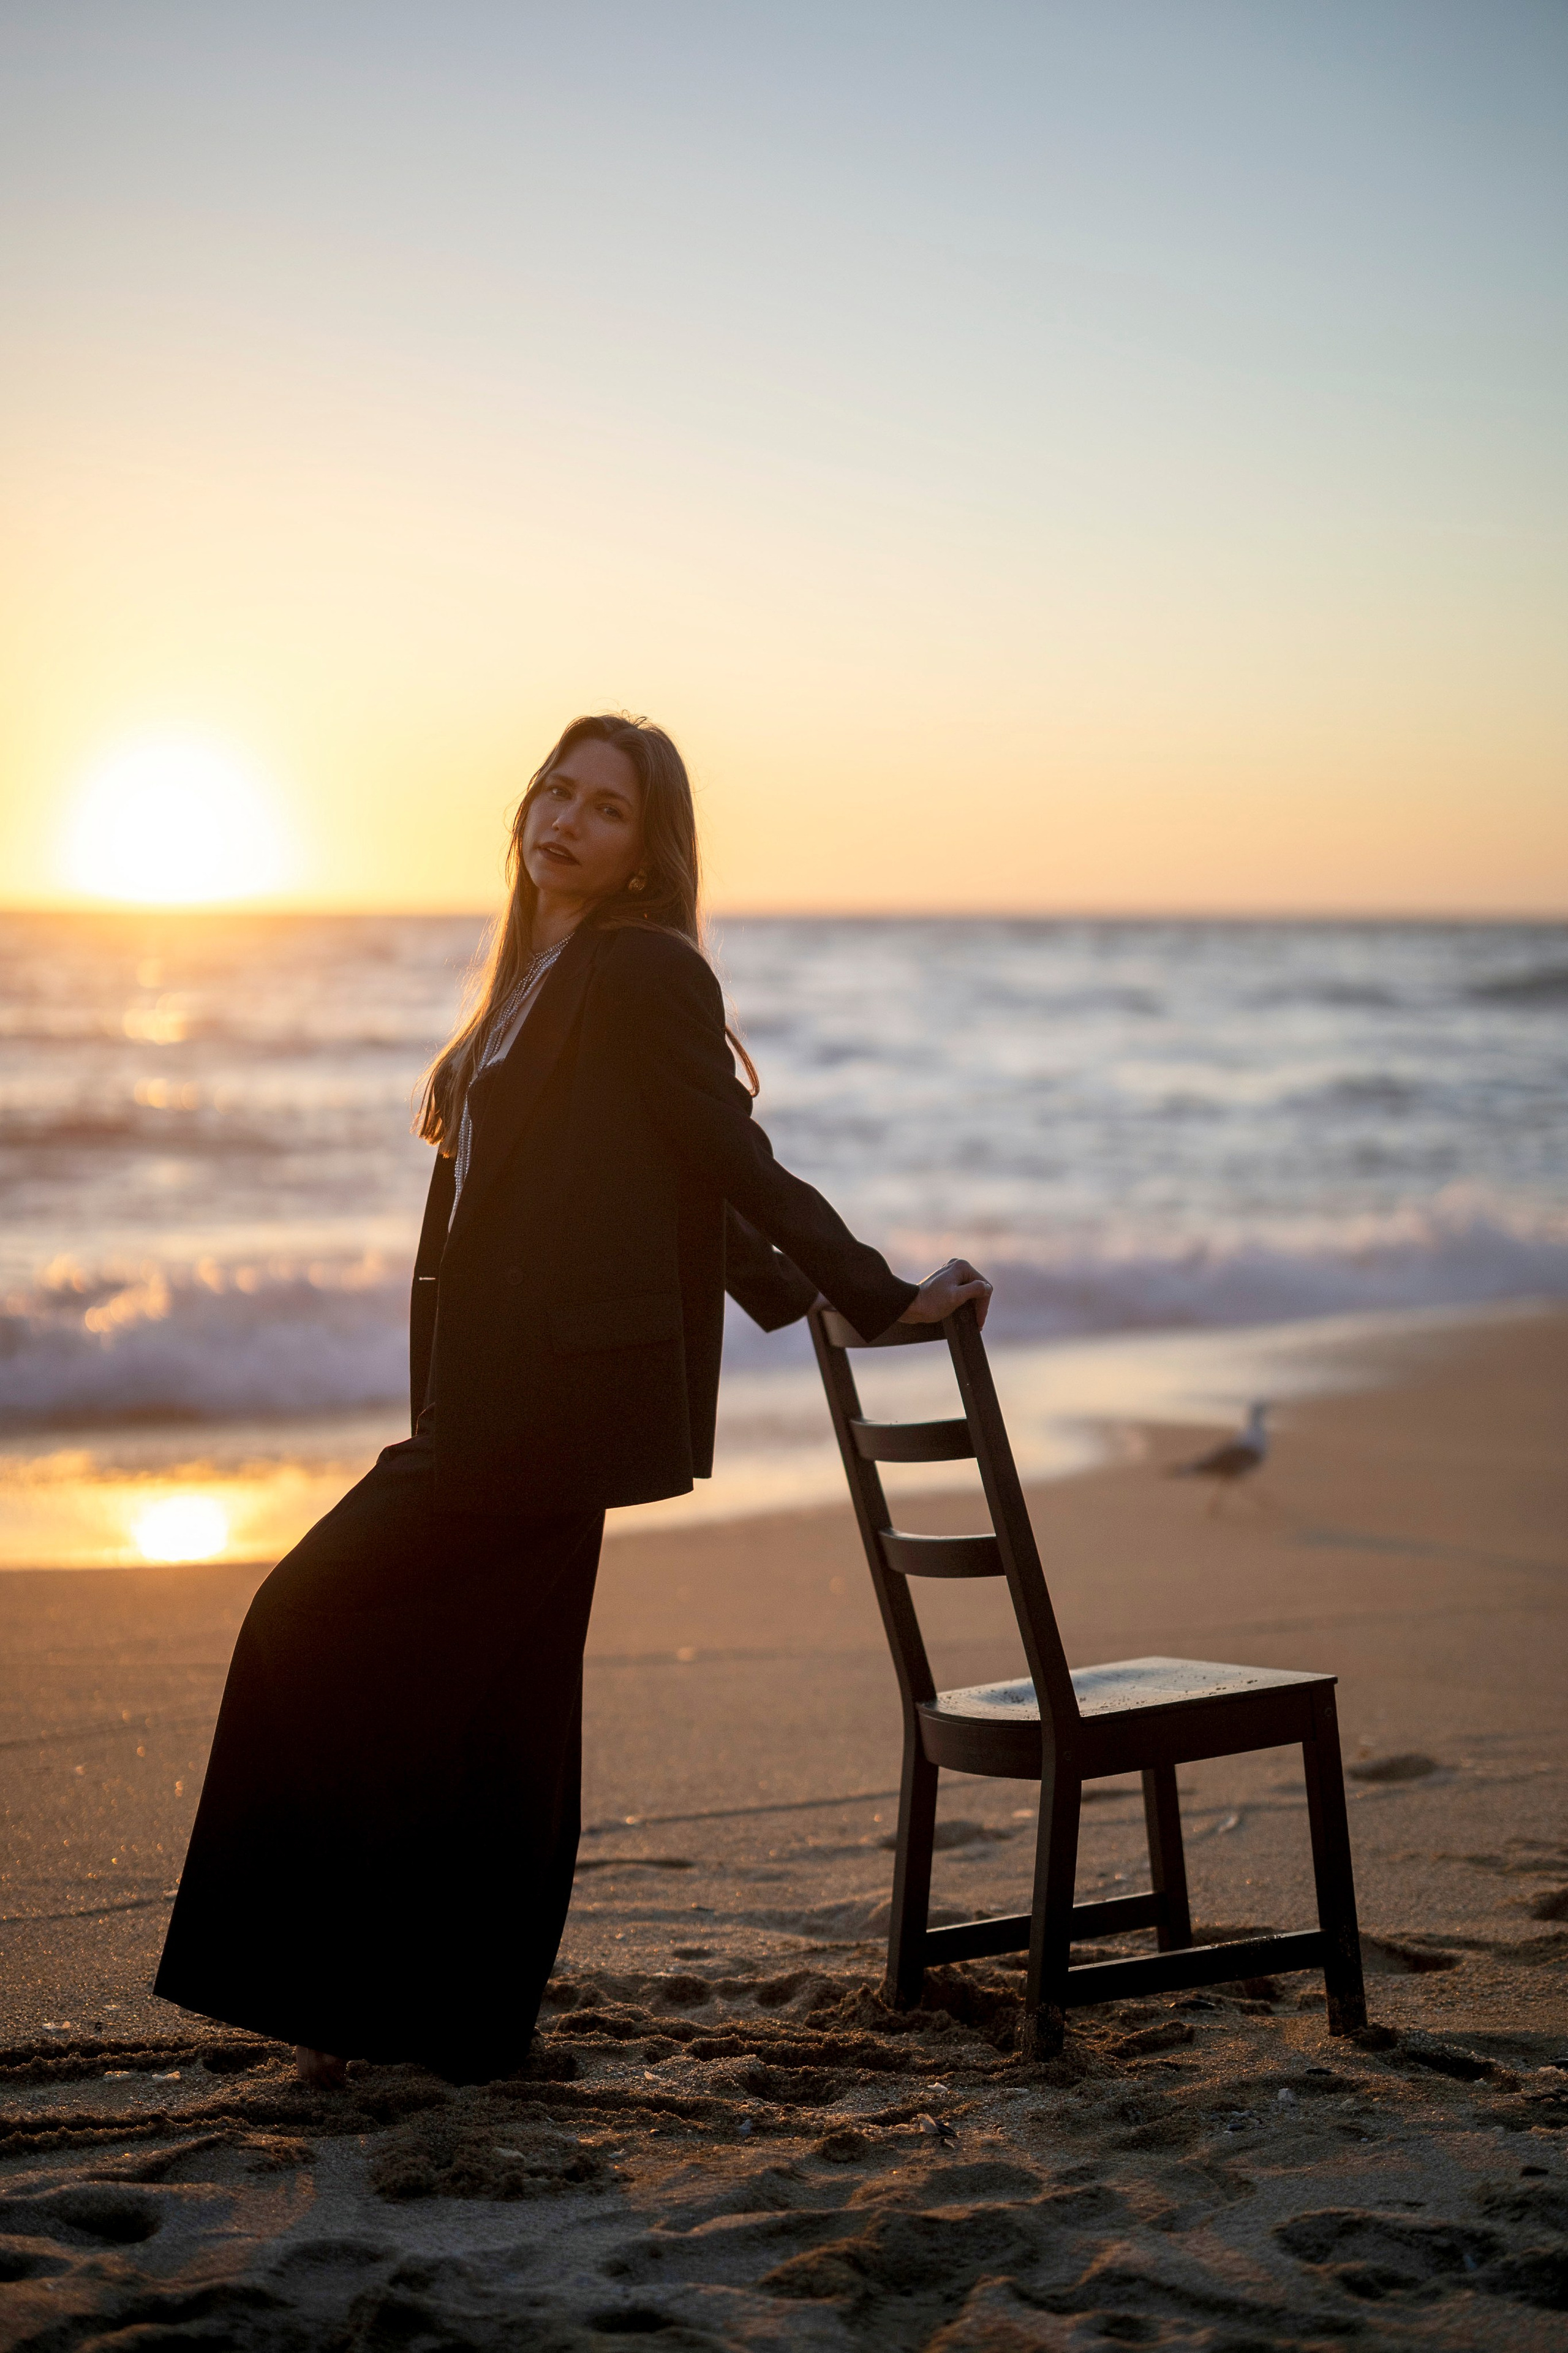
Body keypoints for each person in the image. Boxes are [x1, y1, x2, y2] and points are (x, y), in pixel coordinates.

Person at [153, 714, 991, 2086]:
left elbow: (723, 1151)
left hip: (544, 1402)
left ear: (646, 849)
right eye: (558, 790)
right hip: (499, 1396)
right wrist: (803, 1299)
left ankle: (332, 1985)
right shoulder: (532, 974)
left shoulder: (643, 968)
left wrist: (872, 1286)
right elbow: (670, 1183)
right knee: (506, 1709)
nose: (567, 819)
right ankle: (461, 2020)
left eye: (607, 808)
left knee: (301, 1618)